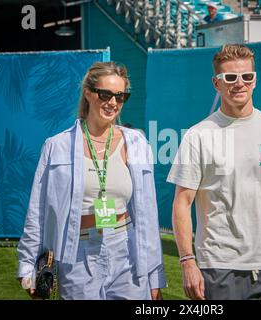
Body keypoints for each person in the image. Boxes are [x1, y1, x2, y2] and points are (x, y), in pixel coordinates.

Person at [167, 44, 261, 300]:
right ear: (217, 83)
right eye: (230, 77)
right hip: (219, 268)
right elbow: (182, 203)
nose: (239, 83)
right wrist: (187, 261)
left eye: (247, 76)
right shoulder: (198, 136)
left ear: (255, 80)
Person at [17, 61, 166, 300]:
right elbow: (37, 211)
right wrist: (27, 265)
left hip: (126, 250)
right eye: (105, 94)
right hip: (77, 254)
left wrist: (154, 273)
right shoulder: (57, 146)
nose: (113, 102)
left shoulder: (137, 143)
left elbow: (148, 213)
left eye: (120, 96)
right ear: (88, 93)